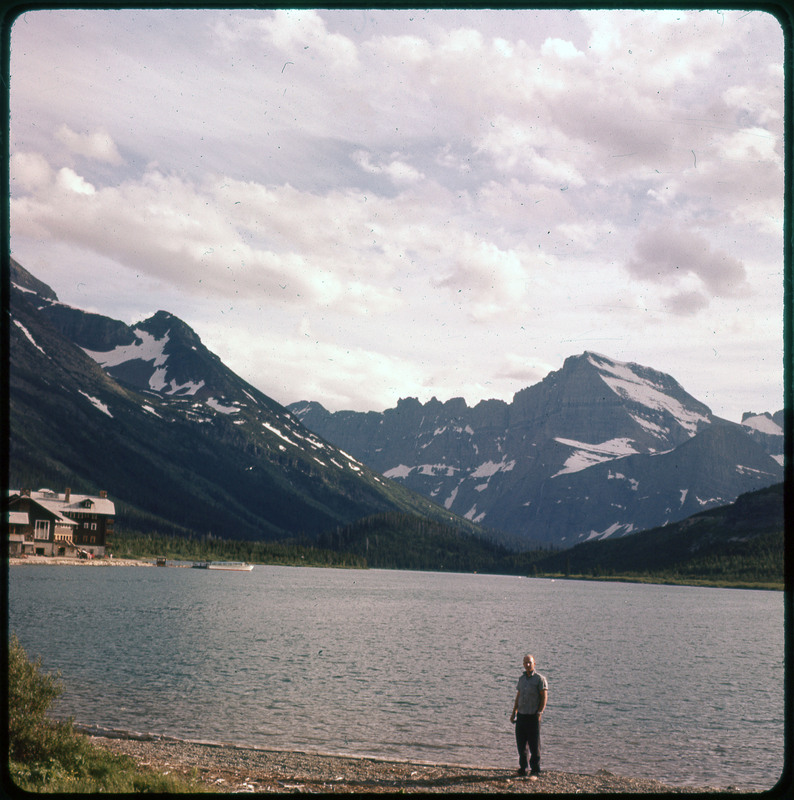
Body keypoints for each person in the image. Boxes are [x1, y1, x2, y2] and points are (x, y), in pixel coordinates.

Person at [510, 654, 548, 778]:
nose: (527, 665)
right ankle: (523, 769)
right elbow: (518, 695)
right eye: (525, 663)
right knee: (521, 744)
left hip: (533, 716)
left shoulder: (539, 679)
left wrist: (540, 712)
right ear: (523, 664)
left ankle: (535, 770)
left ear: (534, 664)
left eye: (529, 663)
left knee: (534, 744)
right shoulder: (521, 679)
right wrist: (514, 712)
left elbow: (544, 696)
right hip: (521, 715)